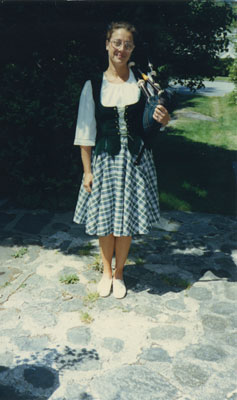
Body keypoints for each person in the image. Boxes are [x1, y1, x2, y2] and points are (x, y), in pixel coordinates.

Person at [73, 21, 170, 299]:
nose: (122, 49)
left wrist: (164, 119)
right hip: (104, 161)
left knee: (125, 221)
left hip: (136, 162)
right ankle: (105, 272)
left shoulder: (143, 83)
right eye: (117, 42)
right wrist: (87, 171)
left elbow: (154, 122)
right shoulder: (93, 85)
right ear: (107, 44)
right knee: (105, 221)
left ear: (133, 49)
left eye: (127, 44)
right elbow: (85, 132)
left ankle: (119, 274)